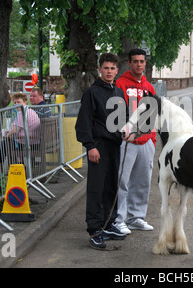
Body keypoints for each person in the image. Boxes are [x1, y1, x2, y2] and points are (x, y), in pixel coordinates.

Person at [75, 52, 128, 250]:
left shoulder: (118, 92)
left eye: (113, 68)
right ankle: (95, 229)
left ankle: (108, 223)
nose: (109, 71)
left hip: (114, 145)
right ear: (100, 69)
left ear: (117, 70)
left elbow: (123, 119)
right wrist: (90, 146)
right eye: (106, 68)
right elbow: (84, 123)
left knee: (111, 186)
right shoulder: (91, 93)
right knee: (96, 189)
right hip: (98, 146)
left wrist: (126, 131)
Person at [114, 48, 156, 234]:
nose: (139, 64)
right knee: (122, 181)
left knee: (142, 181)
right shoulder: (120, 84)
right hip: (127, 141)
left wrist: (152, 139)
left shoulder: (149, 87)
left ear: (145, 63)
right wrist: (124, 133)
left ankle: (136, 217)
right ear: (129, 63)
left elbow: (154, 114)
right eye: (135, 61)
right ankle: (118, 219)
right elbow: (116, 112)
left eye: (142, 61)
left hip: (146, 141)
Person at [0, 93, 40, 165]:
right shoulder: (30, 111)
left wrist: (7, 135)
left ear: (25, 102)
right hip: (34, 140)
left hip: (27, 143)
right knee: (6, 142)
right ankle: (18, 164)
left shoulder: (22, 113)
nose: (16, 104)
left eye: (19, 102)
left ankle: (0, 167)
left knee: (4, 144)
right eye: (15, 102)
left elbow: (15, 130)